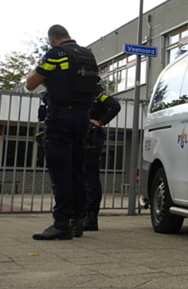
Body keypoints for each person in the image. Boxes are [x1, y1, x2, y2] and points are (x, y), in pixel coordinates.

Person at [26, 25, 100, 240]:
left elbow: (31, 84)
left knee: (60, 170)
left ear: (52, 39)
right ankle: (77, 221)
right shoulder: (88, 55)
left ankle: (61, 223)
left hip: (60, 118)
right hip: (83, 118)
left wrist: (36, 71)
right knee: (77, 170)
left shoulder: (56, 53)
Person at [83, 88, 121, 231]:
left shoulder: (97, 92)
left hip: (91, 135)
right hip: (84, 134)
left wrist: (101, 122)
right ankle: (84, 216)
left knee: (89, 177)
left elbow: (115, 106)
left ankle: (89, 217)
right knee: (83, 176)